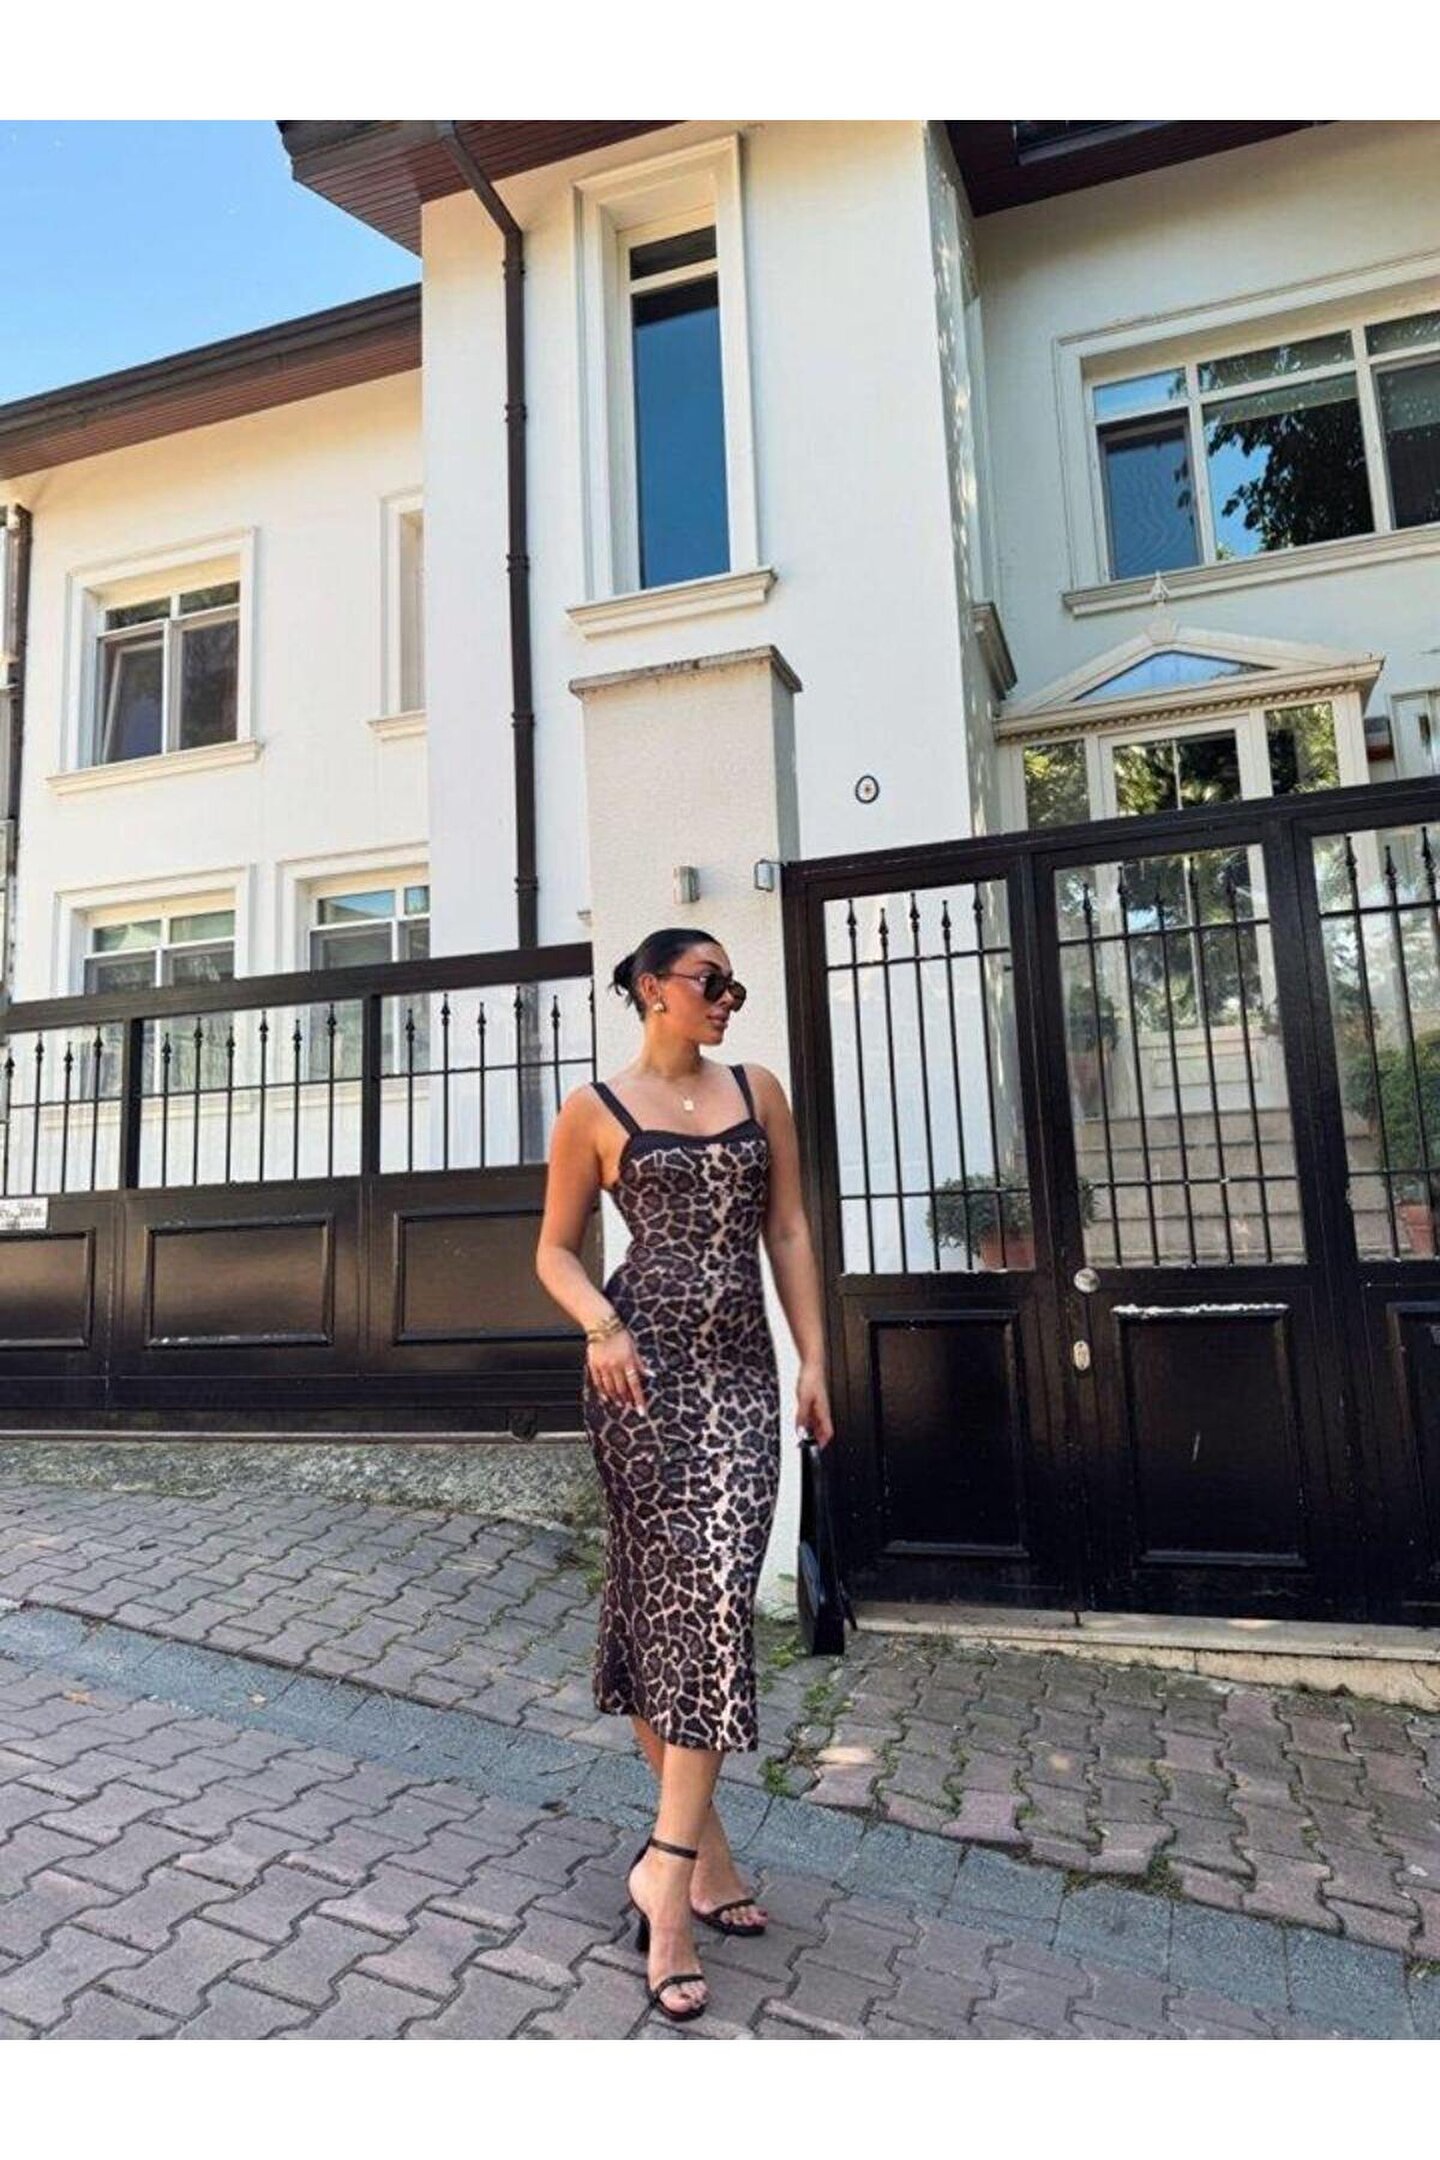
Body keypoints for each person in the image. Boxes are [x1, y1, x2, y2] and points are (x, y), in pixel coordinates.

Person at [535, 927, 834, 2024]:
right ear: (653, 988)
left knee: (712, 1598)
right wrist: (601, 1325)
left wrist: (815, 1358)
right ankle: (691, 1867)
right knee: (662, 1607)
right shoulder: (595, 1110)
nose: (727, 1000)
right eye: (710, 983)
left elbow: (788, 1229)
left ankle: (666, 1863)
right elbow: (554, 1250)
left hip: (742, 1379)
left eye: (733, 986)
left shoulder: (758, 1090)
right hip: (641, 1380)